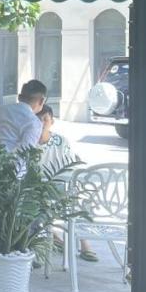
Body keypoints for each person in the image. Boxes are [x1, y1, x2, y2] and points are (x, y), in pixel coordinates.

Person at [36, 106, 97, 262]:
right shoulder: (27, 140)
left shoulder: (61, 141)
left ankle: (84, 242)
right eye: (37, 119)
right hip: (36, 188)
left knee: (78, 199)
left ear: (52, 121)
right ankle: (53, 237)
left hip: (59, 186)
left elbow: (71, 167)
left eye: (45, 119)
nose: (41, 123)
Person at [0, 79, 48, 152]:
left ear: (19, 97)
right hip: (6, 159)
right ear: (42, 101)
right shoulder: (34, 123)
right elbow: (25, 153)